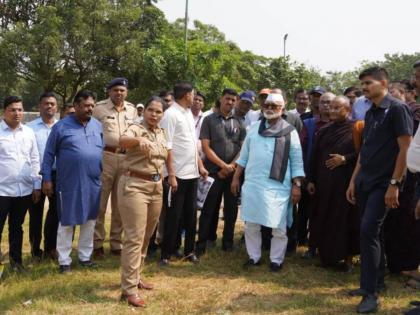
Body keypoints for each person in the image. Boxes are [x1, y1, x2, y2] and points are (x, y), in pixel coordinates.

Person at [346, 67, 413, 314]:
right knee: (374, 233)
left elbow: (405, 149)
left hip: (384, 184)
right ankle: (375, 284)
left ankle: (371, 294)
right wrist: (354, 180)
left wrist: (394, 184)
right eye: (362, 83)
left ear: (383, 82)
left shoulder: (397, 109)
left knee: (368, 232)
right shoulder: (372, 112)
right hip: (365, 181)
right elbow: (364, 151)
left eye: (368, 83)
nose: (364, 87)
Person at [231, 93, 304, 271]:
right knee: (251, 224)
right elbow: (244, 155)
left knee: (278, 226)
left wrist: (297, 185)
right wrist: (235, 177)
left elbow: (296, 160)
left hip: (278, 186)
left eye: (275, 106)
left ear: (282, 109)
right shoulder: (254, 128)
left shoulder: (290, 131)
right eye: (268, 105)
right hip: (253, 184)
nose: (270, 108)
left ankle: (276, 260)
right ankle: (253, 257)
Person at [118, 96, 174, 307]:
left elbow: (167, 154)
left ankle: (136, 277)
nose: (154, 114)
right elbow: (122, 141)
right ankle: (129, 289)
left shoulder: (162, 132)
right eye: (151, 110)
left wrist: (173, 175)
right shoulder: (135, 127)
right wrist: (138, 140)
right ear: (145, 111)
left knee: (147, 236)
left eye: (158, 112)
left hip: (156, 186)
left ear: (163, 115)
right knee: (134, 236)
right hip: (134, 185)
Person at [42, 90, 103, 273]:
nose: (89, 109)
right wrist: (46, 179)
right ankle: (64, 261)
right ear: (76, 106)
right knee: (67, 222)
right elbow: (48, 155)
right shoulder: (61, 127)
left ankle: (85, 257)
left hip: (93, 182)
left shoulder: (97, 126)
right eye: (86, 105)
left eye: (92, 105)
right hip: (69, 183)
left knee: (90, 221)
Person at [306, 96, 359, 271]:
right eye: (332, 108)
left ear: (348, 110)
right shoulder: (324, 130)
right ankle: (326, 256)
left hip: (345, 184)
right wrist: (311, 179)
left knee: (345, 220)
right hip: (323, 184)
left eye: (338, 108)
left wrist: (345, 159)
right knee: (323, 217)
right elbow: (314, 156)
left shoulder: (357, 129)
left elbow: (364, 154)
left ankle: (348, 259)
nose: (333, 111)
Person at [159, 82, 208, 266]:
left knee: (190, 215)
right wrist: (170, 174)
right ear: (187, 95)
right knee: (173, 216)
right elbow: (167, 147)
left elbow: (193, 144)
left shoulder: (187, 113)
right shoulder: (170, 115)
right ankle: (166, 254)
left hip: (192, 174)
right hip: (176, 175)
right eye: (193, 94)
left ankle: (189, 252)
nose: (194, 98)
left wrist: (201, 166)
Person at [196, 88, 246, 256]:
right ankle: (202, 244)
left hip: (233, 175)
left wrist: (231, 166)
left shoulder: (239, 122)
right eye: (227, 99)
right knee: (209, 210)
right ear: (221, 99)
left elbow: (243, 148)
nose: (230, 102)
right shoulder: (209, 120)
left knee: (231, 211)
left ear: (236, 101)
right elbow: (205, 146)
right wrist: (222, 165)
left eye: (233, 100)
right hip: (213, 172)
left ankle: (228, 243)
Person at [92, 78, 137, 259]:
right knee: (100, 203)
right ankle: (97, 244)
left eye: (122, 90)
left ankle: (116, 243)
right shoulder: (99, 108)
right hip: (106, 157)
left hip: (126, 158)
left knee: (121, 204)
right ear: (109, 91)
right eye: (116, 90)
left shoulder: (132, 109)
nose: (119, 93)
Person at [0, 96, 41, 272]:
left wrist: (36, 185)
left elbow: (34, 159)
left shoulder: (28, 132)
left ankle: (16, 264)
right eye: (12, 109)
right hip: (1, 191)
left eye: (19, 109)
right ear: (4, 112)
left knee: (17, 228)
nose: (17, 113)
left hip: (23, 190)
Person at [299, 92, 334, 258]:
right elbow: (301, 149)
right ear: (317, 105)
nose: (326, 105)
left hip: (335, 177)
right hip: (312, 174)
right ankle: (310, 246)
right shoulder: (309, 124)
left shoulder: (343, 125)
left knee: (330, 213)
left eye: (330, 102)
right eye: (323, 102)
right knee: (311, 212)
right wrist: (305, 175)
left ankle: (326, 246)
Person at [27, 92, 59, 260]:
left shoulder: (62, 126)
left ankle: (50, 248)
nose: (49, 106)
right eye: (46, 103)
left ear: (57, 107)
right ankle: (35, 250)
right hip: (37, 176)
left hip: (57, 175)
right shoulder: (30, 128)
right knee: (35, 215)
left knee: (55, 214)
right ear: (39, 106)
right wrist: (35, 183)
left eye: (52, 104)